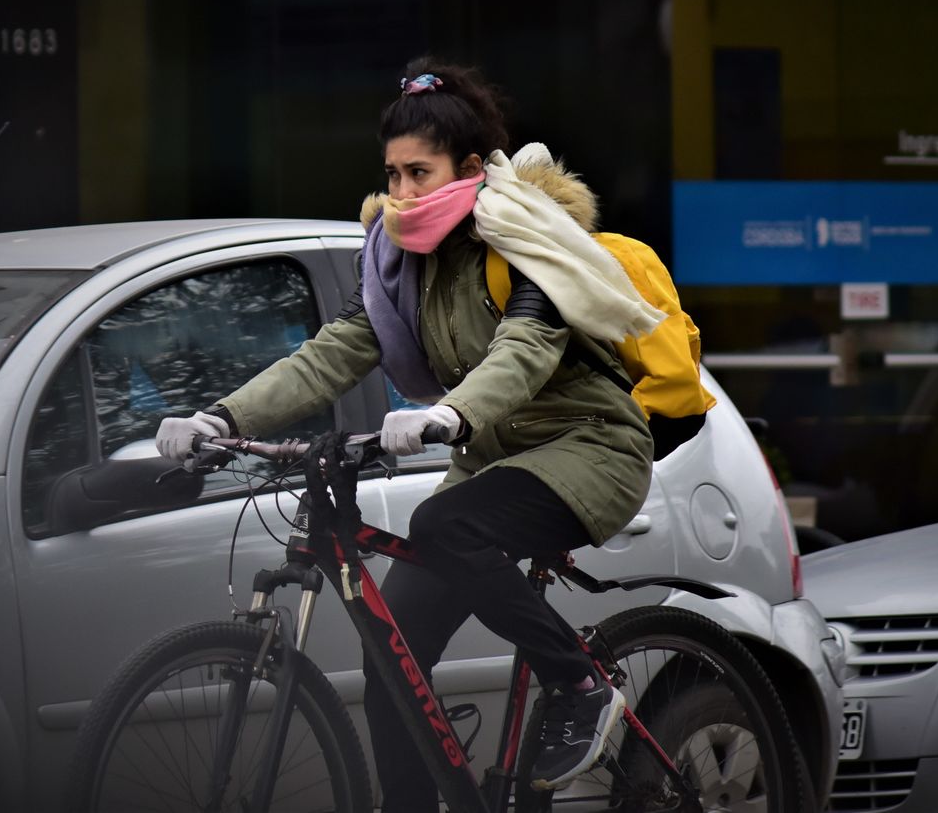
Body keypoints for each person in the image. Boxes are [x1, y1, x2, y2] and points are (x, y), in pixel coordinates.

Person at [155, 58, 663, 810]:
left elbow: (523, 350)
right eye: (390, 175)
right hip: (496, 462)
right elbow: (330, 354)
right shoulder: (397, 263)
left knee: (441, 520)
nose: (400, 194)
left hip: (590, 447)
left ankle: (580, 683)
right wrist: (223, 416)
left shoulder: (526, 241)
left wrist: (448, 413)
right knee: (393, 654)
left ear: (468, 168)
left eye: (418, 173)